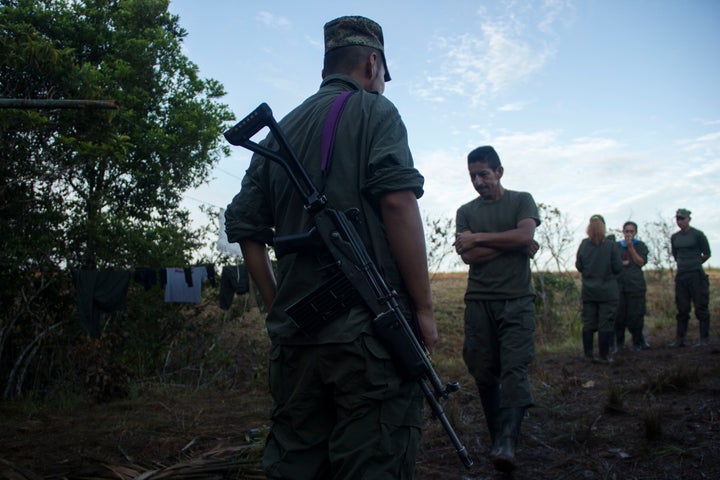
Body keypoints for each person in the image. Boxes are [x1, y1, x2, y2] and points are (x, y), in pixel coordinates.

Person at [224, 16, 437, 479]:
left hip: (296, 342)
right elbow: (399, 203)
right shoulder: (375, 111)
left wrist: (276, 305)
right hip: (368, 339)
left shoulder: (282, 130)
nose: (383, 83)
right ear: (372, 62)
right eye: (384, 74)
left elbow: (245, 227)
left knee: (297, 464)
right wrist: (423, 309)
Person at [453, 145, 540, 473]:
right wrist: (513, 244)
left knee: (515, 368)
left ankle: (507, 440)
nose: (478, 181)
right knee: (483, 371)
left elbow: (525, 235)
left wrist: (479, 239)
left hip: (517, 300)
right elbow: (469, 257)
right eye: (473, 176)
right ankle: (496, 440)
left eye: (484, 175)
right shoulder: (465, 211)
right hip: (478, 301)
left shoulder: (521, 200)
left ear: (499, 171)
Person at [575, 215, 622, 363]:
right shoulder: (611, 245)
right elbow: (618, 267)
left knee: (588, 323)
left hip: (589, 291)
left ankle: (588, 355)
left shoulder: (584, 245)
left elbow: (579, 265)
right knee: (605, 324)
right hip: (608, 292)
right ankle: (604, 355)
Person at [669, 208, 712, 347]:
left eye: (682, 218)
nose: (680, 221)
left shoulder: (698, 235)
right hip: (682, 275)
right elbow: (675, 255)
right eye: (678, 219)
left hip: (696, 275)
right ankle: (680, 340)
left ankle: (704, 338)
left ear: (689, 219)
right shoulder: (675, 237)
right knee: (682, 308)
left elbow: (706, 253)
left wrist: (695, 263)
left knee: (701, 307)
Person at [615, 221, 651, 351]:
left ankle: (637, 341)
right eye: (627, 231)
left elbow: (640, 262)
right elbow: (613, 263)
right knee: (619, 317)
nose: (629, 234)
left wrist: (631, 247)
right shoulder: (616, 246)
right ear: (623, 232)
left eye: (631, 231)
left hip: (635, 286)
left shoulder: (640, 246)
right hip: (619, 287)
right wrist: (622, 263)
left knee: (635, 316)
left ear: (635, 232)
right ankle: (619, 344)